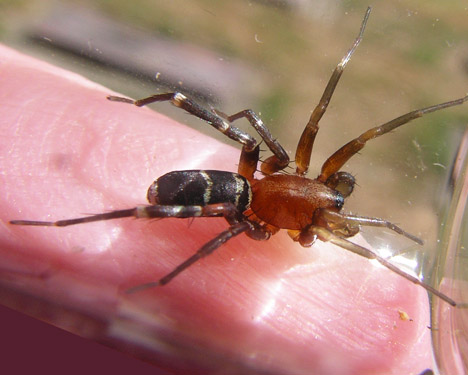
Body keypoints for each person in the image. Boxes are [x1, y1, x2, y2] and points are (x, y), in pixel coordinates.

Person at [0, 43, 433, 374]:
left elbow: (256, 128)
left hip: (242, 188)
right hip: (236, 195)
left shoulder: (289, 178)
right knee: (220, 200)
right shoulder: (278, 208)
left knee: (239, 158)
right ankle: (58, 219)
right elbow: (302, 133)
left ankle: (68, 219)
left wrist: (384, 229)